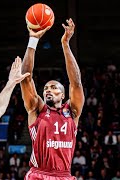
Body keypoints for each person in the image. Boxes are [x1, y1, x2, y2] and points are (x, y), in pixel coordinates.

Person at [20, 18, 85, 179]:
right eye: (46, 88)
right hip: (39, 174)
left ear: (63, 95)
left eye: (54, 87)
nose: (48, 90)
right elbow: (26, 78)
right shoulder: (37, 109)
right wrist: (33, 40)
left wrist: (65, 44)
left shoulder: (73, 111)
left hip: (64, 175)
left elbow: (76, 83)